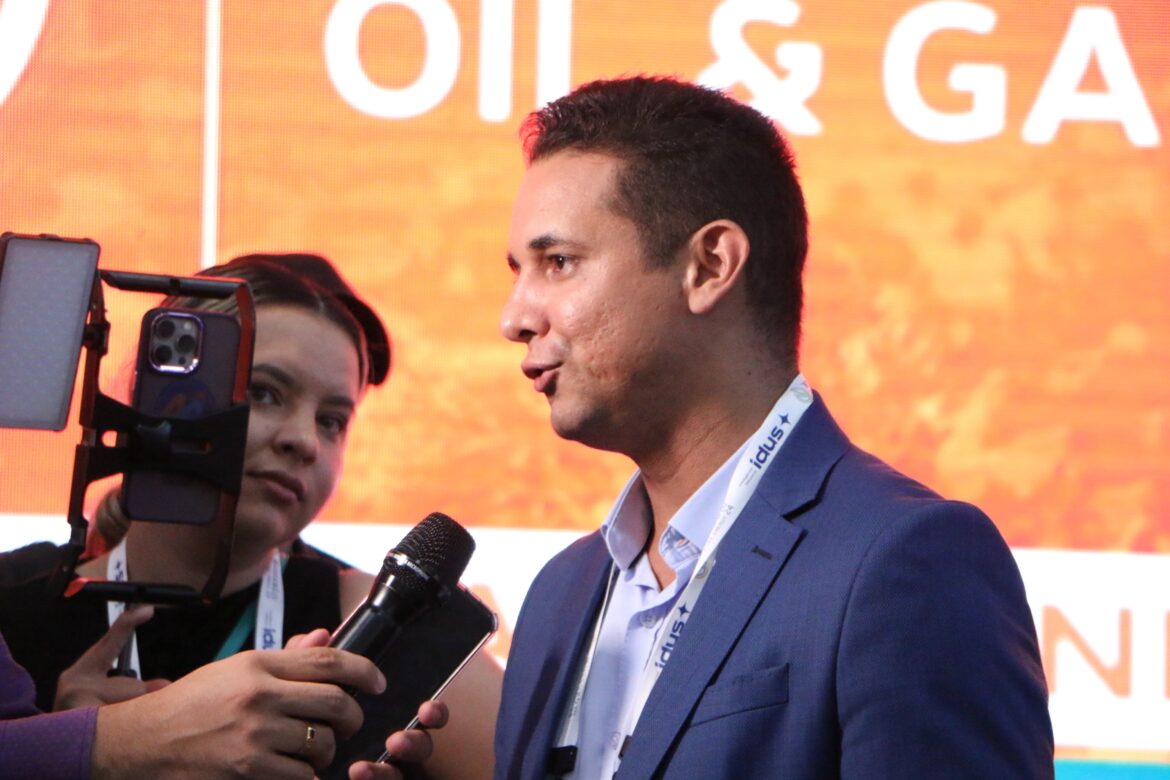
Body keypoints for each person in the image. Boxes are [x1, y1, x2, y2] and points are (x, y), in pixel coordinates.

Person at [493, 76, 1053, 779]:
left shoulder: (908, 560)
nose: (515, 318)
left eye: (558, 264)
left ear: (709, 266)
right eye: (517, 271)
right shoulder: (560, 595)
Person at [0, 253, 500, 779]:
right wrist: (73, 746)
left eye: (332, 420)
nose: (304, 440)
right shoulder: (15, 609)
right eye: (265, 393)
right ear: (162, 394)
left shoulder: (378, 620)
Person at [1, 622, 446, 779]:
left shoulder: (337, 585)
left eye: (332, 437)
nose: (302, 445)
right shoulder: (24, 590)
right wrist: (127, 737)